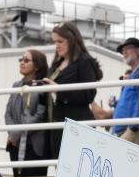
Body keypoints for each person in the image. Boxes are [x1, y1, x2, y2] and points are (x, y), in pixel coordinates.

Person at [43, 21, 103, 158]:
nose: (57, 45)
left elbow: (89, 94)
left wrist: (59, 90)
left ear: (72, 40)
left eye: (60, 41)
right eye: (54, 42)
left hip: (78, 122)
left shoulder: (84, 61)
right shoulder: (57, 63)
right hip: (58, 123)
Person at [6, 49, 50, 177]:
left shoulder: (42, 85)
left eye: (26, 60)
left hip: (36, 146)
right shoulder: (16, 85)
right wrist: (14, 134)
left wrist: (23, 128)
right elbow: (8, 112)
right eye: (21, 60)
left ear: (37, 65)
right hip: (15, 145)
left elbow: (41, 113)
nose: (22, 63)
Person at [90, 37, 139, 137]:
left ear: (138, 50)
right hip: (122, 129)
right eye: (123, 51)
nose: (124, 52)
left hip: (132, 130)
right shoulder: (134, 75)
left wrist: (135, 125)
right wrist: (117, 104)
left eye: (127, 49)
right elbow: (131, 100)